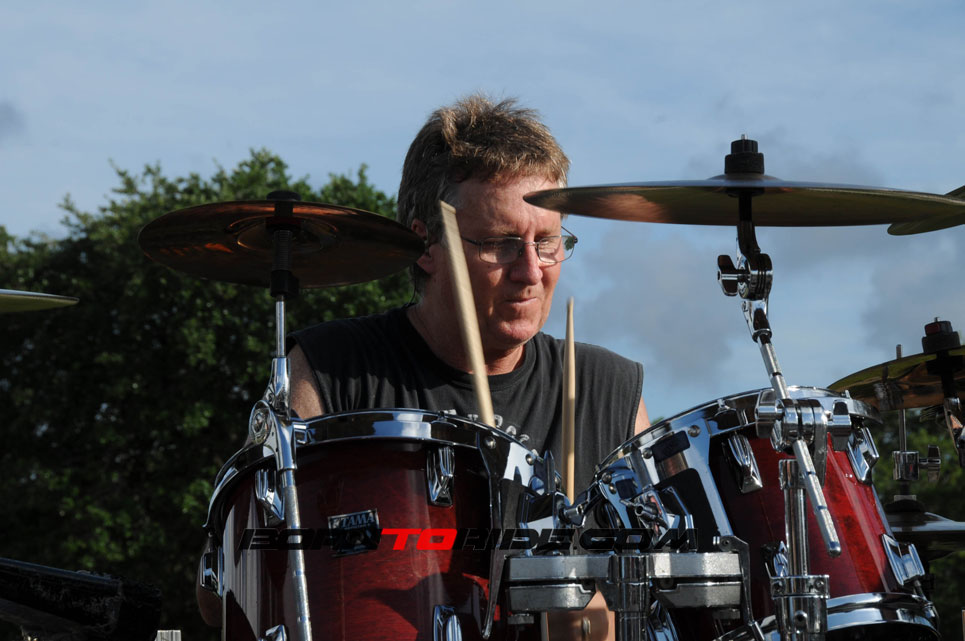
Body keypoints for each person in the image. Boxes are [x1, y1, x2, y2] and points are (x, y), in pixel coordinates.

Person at [287, 94, 650, 640]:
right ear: (425, 245)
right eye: (502, 245)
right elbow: (230, 582)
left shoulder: (607, 391)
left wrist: (605, 621)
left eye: (547, 242)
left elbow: (674, 592)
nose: (532, 272)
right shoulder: (331, 371)